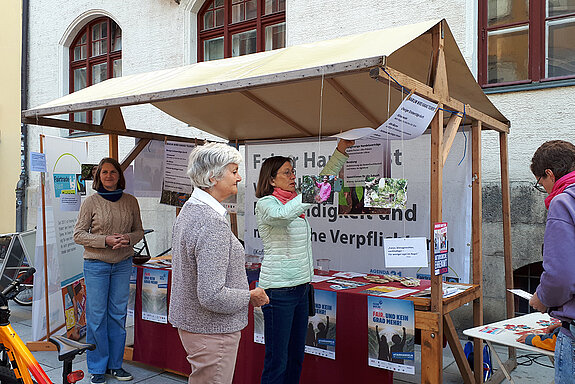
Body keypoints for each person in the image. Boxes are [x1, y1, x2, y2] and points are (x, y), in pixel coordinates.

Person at [255, 139, 354, 384]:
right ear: (271, 179)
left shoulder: (295, 202)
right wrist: (311, 192)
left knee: (296, 356)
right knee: (277, 361)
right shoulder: (267, 204)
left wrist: (340, 151)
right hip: (278, 292)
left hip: (300, 289)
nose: (293, 176)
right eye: (286, 172)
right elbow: (283, 215)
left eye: (293, 171)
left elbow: (320, 184)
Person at [169, 143, 269, 384]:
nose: (239, 177)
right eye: (233, 171)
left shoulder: (191, 210)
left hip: (200, 327)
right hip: (212, 331)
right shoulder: (210, 221)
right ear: (213, 177)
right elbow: (212, 295)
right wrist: (251, 296)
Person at [73, 157, 144, 384]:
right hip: (96, 265)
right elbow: (78, 234)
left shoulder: (131, 201)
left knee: (117, 315)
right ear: (98, 177)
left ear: (119, 176)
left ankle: (115, 365)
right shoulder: (90, 202)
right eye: (104, 172)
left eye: (113, 172)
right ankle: (96, 367)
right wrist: (106, 240)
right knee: (96, 317)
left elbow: (139, 231)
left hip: (122, 264)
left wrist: (128, 238)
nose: (109, 176)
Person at [528, 140, 575, 384]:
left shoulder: (563, 202)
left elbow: (561, 276)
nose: (545, 189)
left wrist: (543, 298)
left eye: (541, 183)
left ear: (550, 174)